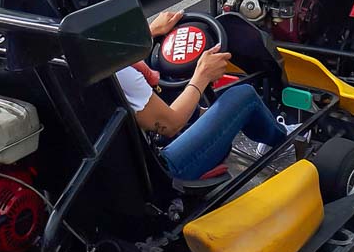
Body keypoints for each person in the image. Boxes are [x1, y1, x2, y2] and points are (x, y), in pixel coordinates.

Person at [116, 10, 300, 180]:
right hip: (160, 173)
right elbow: (169, 125)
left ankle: (199, 114)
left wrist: (150, 32)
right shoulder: (121, 75)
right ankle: (285, 143)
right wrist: (202, 75)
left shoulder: (94, 69)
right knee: (243, 97)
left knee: (161, 75)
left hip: (120, 173)